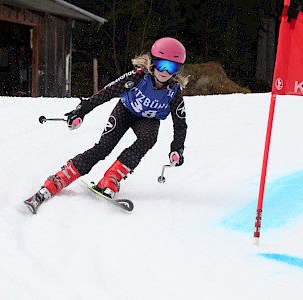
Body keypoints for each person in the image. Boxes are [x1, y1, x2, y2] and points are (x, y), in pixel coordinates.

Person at [24, 37, 189, 214]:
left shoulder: (174, 92)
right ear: (153, 62)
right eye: (162, 64)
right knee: (103, 148)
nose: (165, 71)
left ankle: (112, 178)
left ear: (178, 70)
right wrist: (82, 110)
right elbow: (108, 92)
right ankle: (59, 179)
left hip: (147, 120)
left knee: (149, 138)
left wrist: (177, 149)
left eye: (171, 67)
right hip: (125, 112)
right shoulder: (137, 77)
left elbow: (180, 123)